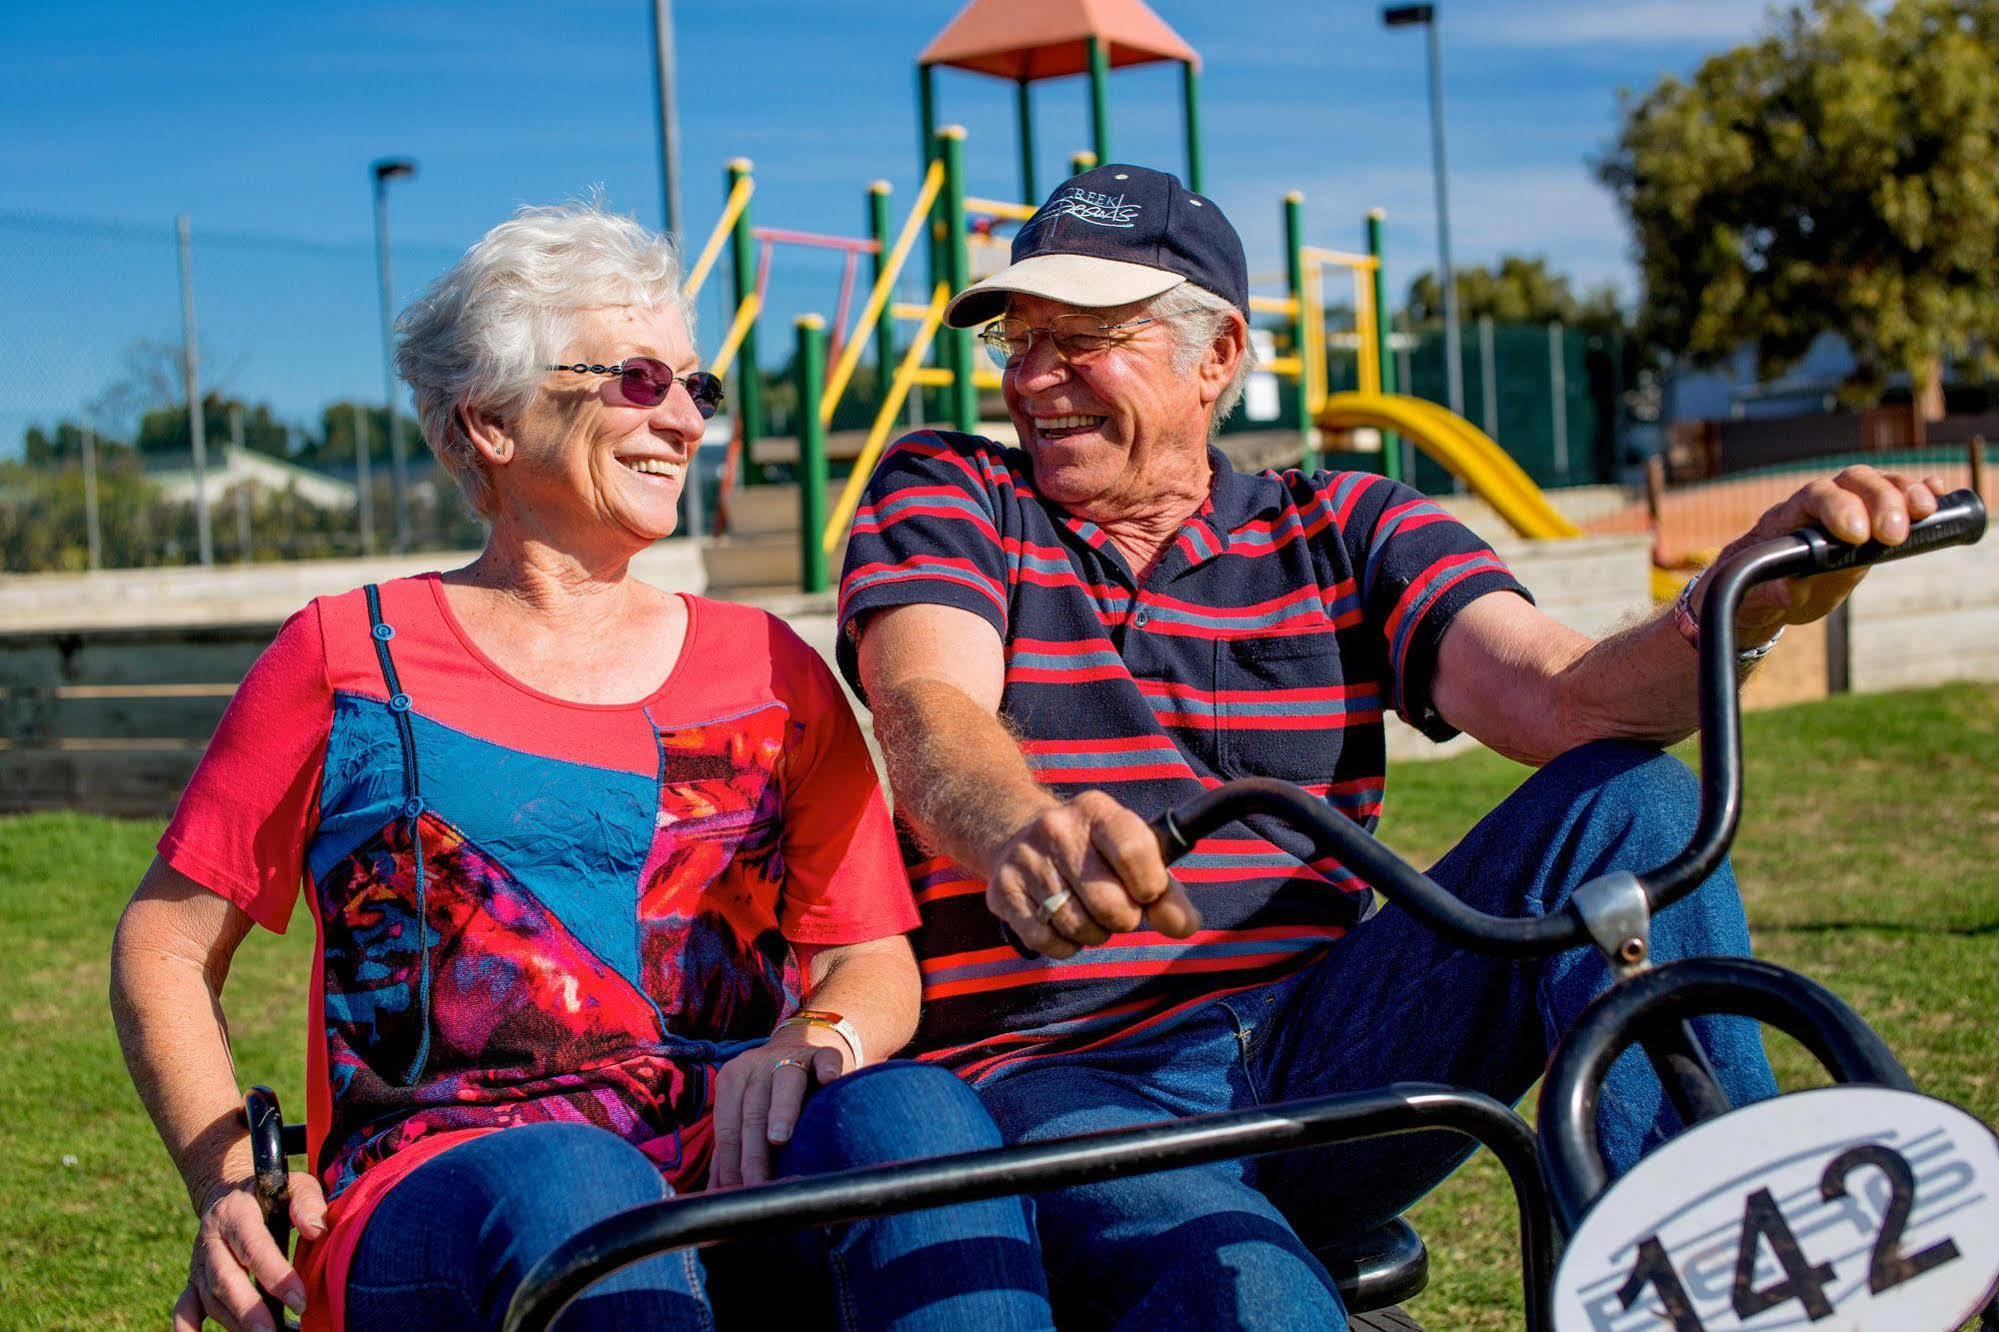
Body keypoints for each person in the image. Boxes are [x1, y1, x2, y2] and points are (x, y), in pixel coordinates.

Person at [836, 164, 1950, 1330]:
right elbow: (926, 706)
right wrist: (1020, 826)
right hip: (1076, 1077)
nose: (1033, 378)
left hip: (1330, 1038)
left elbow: (1564, 701)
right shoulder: (952, 486)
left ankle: (1726, 1267)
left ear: (1214, 355)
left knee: (1629, 798)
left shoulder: (1345, 522)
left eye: (1083, 339)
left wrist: (1740, 599)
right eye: (1021, 340)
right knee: (1255, 1301)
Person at [110, 201, 1050, 1332]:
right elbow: (164, 942)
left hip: (727, 1178)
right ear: (492, 423)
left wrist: (823, 1037)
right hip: (443, 1190)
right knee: (577, 1183)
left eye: (696, 390)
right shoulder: (346, 658)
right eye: (639, 382)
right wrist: (227, 1183)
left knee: (917, 1118)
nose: (687, 424)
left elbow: (870, 959)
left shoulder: (770, 670)